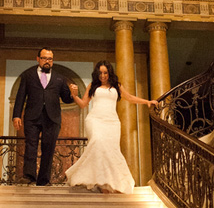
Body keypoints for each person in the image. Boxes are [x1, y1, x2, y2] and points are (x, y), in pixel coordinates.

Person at [65, 60, 158, 194]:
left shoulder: (117, 86)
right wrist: (74, 95)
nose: (103, 76)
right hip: (95, 120)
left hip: (112, 122)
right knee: (97, 142)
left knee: (110, 151)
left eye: (105, 73)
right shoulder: (92, 86)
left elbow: (130, 98)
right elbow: (83, 104)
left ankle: (107, 183)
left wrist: (147, 102)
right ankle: (98, 180)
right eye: (100, 73)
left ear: (109, 73)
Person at [12, 48, 74, 186]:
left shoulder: (60, 78)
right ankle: (29, 176)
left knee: (49, 148)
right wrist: (16, 115)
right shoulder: (28, 75)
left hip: (52, 118)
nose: (47, 61)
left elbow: (67, 99)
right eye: (45, 58)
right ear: (38, 59)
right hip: (32, 117)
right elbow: (20, 96)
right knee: (31, 145)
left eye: (50, 59)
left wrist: (73, 94)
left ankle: (44, 180)